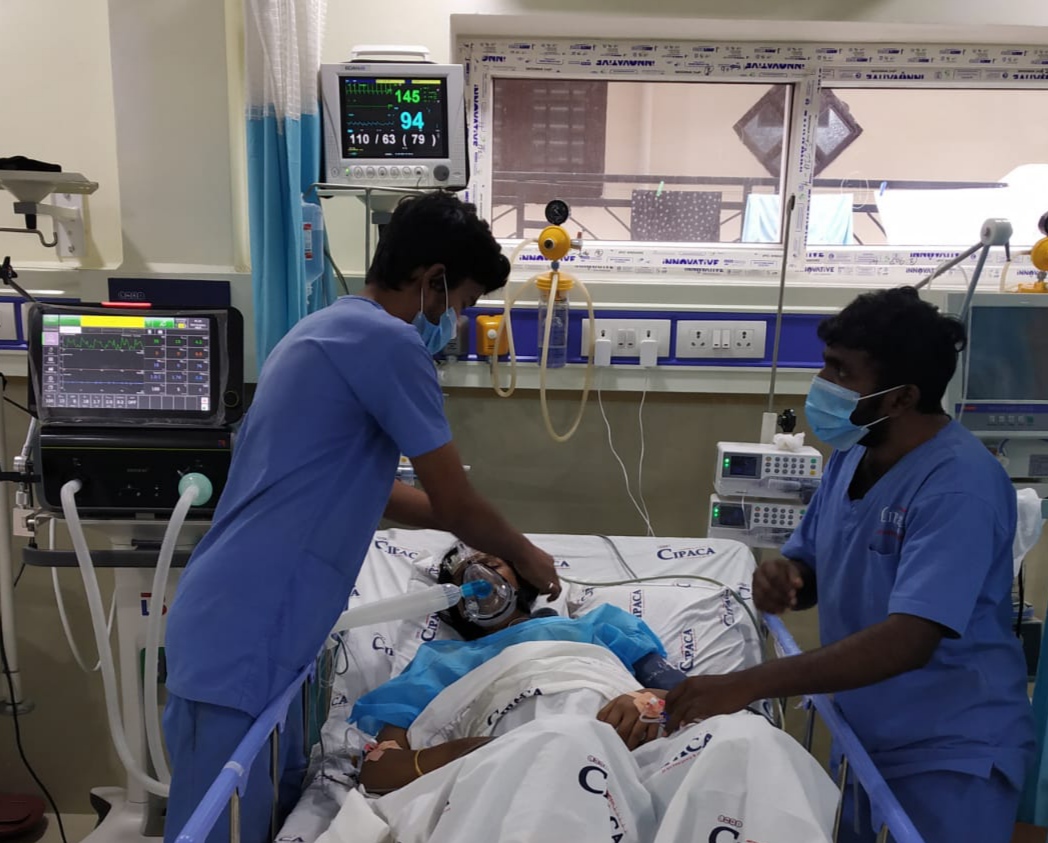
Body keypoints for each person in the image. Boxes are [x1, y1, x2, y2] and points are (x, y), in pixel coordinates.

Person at [161, 193, 561, 843]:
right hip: (247, 626)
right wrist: (524, 553)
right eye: (461, 302)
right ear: (433, 280)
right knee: (219, 827)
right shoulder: (388, 344)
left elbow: (373, 490)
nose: (457, 320)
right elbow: (455, 501)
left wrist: (471, 531)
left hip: (250, 620)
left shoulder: (327, 328)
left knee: (258, 817)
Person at [663, 287, 1035, 843]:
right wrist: (788, 578)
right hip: (869, 732)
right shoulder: (855, 454)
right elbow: (814, 559)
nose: (823, 384)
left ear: (901, 398)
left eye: (841, 372)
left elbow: (908, 640)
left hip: (951, 752)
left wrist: (750, 684)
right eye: (826, 365)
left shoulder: (959, 488)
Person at [340, 544, 837, 843]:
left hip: (636, 756)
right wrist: (468, 753)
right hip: (519, 757)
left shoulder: (598, 626)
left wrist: (648, 704)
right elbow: (380, 769)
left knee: (749, 740)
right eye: (462, 576)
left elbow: (688, 695)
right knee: (565, 740)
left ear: (525, 576)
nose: (479, 577)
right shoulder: (437, 661)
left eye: (492, 563)